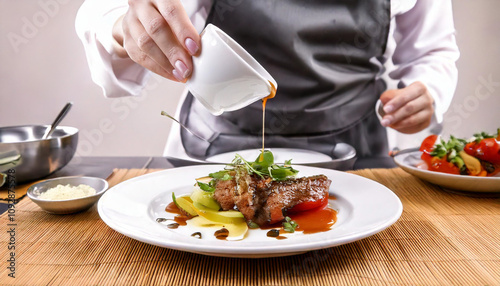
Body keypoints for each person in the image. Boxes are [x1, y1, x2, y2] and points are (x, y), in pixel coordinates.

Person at [75, 0, 459, 161]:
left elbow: (433, 51)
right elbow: (107, 13)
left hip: (356, 151)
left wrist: (430, 92)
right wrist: (122, 27)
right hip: (214, 145)